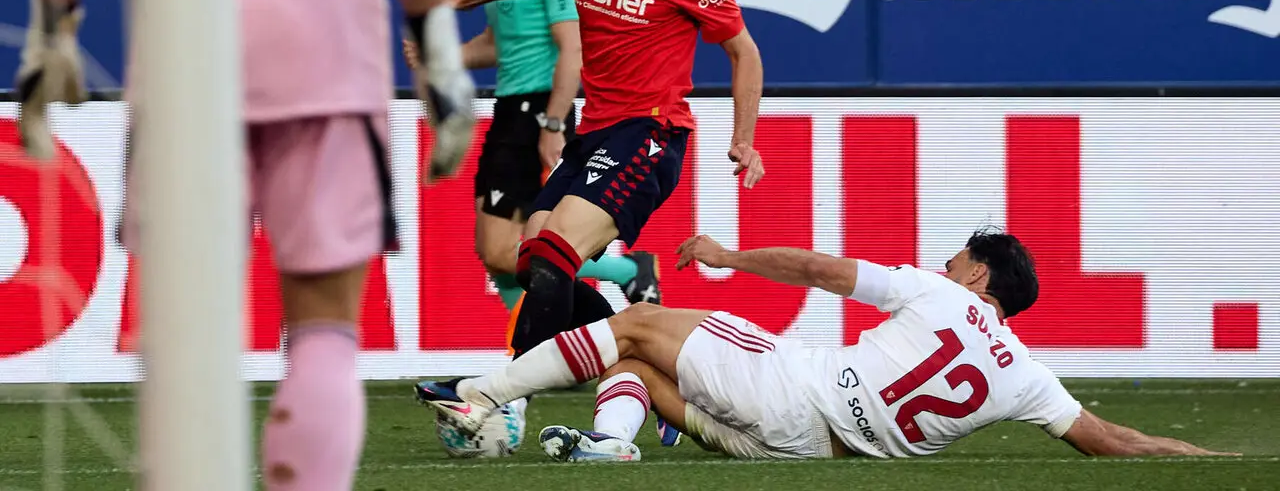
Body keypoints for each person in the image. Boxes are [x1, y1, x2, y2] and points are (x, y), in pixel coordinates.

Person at [15, 0, 474, 489]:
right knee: (324, 325)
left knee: (187, 333)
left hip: (183, 43)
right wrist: (438, 48)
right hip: (323, 38)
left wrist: (53, 23)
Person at [418, 230, 1238, 462]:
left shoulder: (941, 290)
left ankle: (485, 394)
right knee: (634, 361)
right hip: (802, 454)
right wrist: (1200, 456)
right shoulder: (1027, 378)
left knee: (636, 322)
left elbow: (818, 269)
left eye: (960, 256)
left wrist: (732, 258)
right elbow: (1108, 442)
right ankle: (608, 447)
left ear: (979, 276)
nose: (945, 261)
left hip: (792, 389)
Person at [421, 0, 764, 377]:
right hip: (596, 133)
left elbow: (744, 52)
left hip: (652, 133)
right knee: (534, 259)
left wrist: (743, 137)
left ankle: (503, 397)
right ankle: (644, 374)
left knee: (555, 251)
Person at [402, 0, 662, 331]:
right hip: (511, 108)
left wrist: (553, 121)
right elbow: (501, 45)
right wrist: (444, 56)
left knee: (503, 247)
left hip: (536, 109)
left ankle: (624, 273)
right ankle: (547, 348)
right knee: (497, 251)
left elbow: (572, 45)